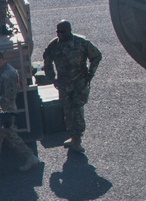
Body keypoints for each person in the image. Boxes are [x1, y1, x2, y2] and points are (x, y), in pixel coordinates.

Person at [42, 20, 102, 153]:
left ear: (69, 31)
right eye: (58, 32)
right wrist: (52, 78)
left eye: (62, 32)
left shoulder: (81, 43)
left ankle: (77, 139)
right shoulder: (54, 45)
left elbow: (96, 56)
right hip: (64, 85)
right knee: (67, 111)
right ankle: (72, 136)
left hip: (79, 84)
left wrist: (90, 74)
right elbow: (47, 59)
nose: (60, 35)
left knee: (77, 111)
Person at [0, 50, 41, 171]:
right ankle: (29, 157)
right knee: (9, 137)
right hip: (0, 112)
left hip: (6, 112)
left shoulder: (9, 75)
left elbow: (8, 98)